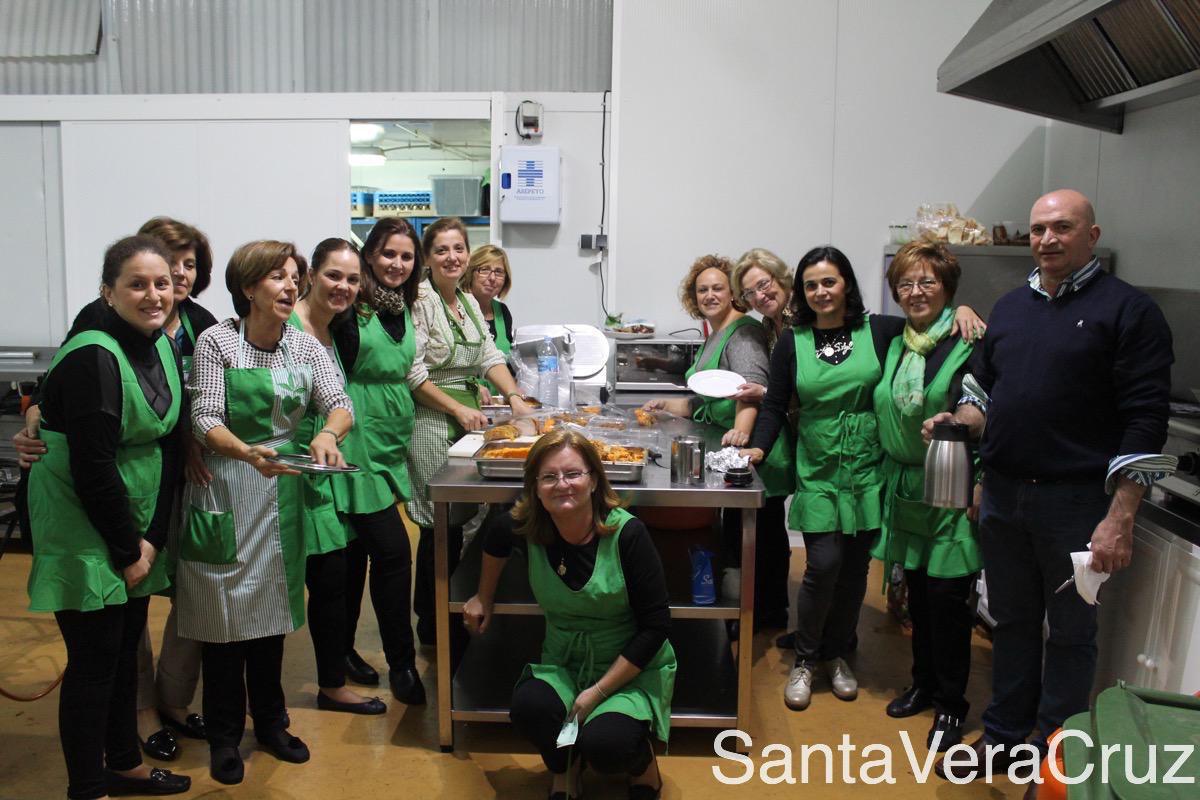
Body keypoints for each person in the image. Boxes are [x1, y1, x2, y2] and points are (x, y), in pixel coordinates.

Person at [926, 190, 1174, 781]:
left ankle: (1057, 754)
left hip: (1078, 502)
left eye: (1062, 227)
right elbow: (983, 392)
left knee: (1070, 632)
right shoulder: (1011, 307)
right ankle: (1005, 737)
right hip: (1005, 495)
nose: (1047, 239)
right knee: (1010, 622)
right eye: (1038, 229)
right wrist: (958, 423)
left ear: (1092, 236)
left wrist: (1120, 516)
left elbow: (1146, 419)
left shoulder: (1129, 311)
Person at [13, 216, 218, 761]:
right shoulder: (95, 349)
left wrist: (151, 540)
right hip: (85, 520)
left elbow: (171, 444)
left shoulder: (166, 342)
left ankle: (126, 764)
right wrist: (130, 550)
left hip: (134, 519)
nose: (156, 293)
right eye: (138, 283)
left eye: (164, 282)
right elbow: (93, 466)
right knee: (96, 661)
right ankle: (90, 786)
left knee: (123, 649)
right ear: (108, 291)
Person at [744, 246, 984, 713]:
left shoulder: (879, 331)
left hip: (869, 468)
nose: (821, 292)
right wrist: (759, 448)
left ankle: (836, 653)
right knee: (823, 565)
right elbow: (773, 404)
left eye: (829, 281)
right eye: (811, 285)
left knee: (855, 571)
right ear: (802, 292)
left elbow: (926, 326)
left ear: (846, 285)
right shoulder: (793, 341)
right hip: (818, 466)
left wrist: (964, 310)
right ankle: (806, 657)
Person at [176, 240, 353, 785]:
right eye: (278, 277)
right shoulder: (218, 342)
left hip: (281, 498)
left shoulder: (303, 345)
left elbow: (339, 402)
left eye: (294, 276)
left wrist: (327, 434)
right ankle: (225, 735)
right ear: (249, 287)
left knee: (271, 618)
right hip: (225, 489)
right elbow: (205, 417)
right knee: (224, 622)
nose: (290, 286)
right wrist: (247, 453)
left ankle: (272, 724)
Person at [464, 430, 675, 800]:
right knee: (530, 709)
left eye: (573, 474)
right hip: (563, 661)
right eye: (549, 477)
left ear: (593, 480)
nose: (562, 485)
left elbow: (655, 627)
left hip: (628, 667)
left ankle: (642, 766)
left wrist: (597, 692)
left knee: (607, 744)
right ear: (535, 487)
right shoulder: (529, 525)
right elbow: (495, 537)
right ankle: (565, 766)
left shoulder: (628, 534)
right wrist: (483, 597)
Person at [870, 241, 982, 752]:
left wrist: (978, 473)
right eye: (905, 284)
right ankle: (923, 683)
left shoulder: (970, 341)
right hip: (905, 487)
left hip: (950, 484)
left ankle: (952, 704)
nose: (915, 292)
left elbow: (987, 409)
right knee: (917, 594)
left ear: (948, 288)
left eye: (927, 282)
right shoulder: (895, 340)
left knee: (948, 601)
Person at [336, 217, 448, 703]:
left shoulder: (404, 307)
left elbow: (410, 372)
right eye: (387, 254)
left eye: (405, 256)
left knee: (353, 556)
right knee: (393, 553)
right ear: (369, 256)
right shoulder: (350, 310)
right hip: (354, 440)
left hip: (390, 442)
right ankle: (402, 665)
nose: (397, 264)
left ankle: (342, 651)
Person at [408, 217, 532, 645]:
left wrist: (515, 397)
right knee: (438, 523)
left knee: (460, 521)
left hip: (466, 420)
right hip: (430, 419)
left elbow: (489, 356)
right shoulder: (420, 301)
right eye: (441, 249)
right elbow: (413, 373)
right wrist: (458, 409)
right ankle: (431, 621)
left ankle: (453, 608)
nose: (452, 257)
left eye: (458, 248)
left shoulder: (465, 301)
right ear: (427, 257)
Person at [288, 238, 387, 715]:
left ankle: (331, 686)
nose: (343, 287)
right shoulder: (285, 327)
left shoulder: (338, 330)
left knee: (331, 581)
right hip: (279, 474)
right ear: (310, 275)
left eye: (351, 279)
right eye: (333, 275)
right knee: (271, 586)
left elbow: (339, 404)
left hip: (322, 475)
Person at [730, 247, 796, 629]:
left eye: (764, 284)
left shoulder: (804, 318)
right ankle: (776, 611)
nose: (759, 295)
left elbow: (805, 385)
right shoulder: (771, 326)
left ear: (780, 277)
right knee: (776, 529)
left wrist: (764, 394)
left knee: (776, 529)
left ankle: (776, 613)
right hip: (793, 430)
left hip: (821, 434)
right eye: (750, 292)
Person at [461, 244, 515, 403]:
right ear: (470, 273)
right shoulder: (455, 307)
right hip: (463, 401)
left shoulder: (502, 312)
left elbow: (506, 361)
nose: (492, 278)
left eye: (498, 272)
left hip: (495, 404)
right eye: (484, 270)